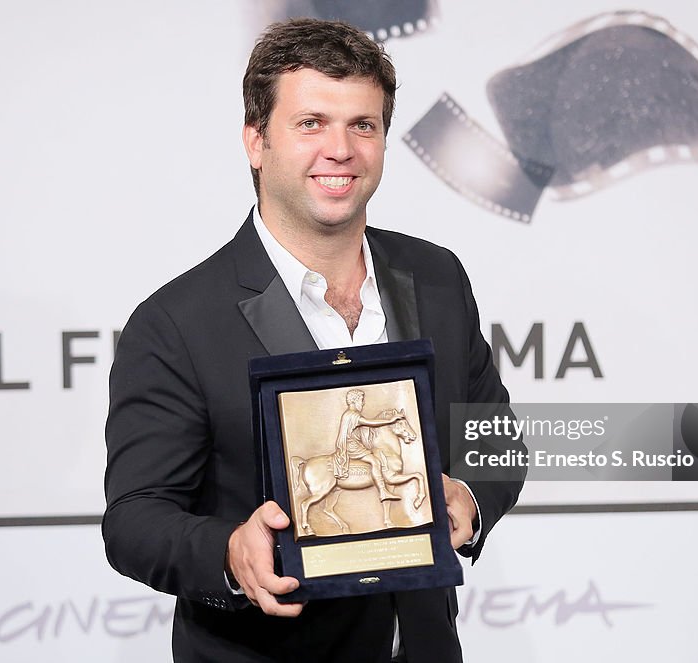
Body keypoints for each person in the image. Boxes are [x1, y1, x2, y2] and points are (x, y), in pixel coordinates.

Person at [103, 17, 525, 662]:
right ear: (255, 141)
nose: (342, 149)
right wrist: (229, 553)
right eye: (311, 124)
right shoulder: (176, 323)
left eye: (363, 125)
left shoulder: (437, 277)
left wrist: (469, 499)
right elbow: (135, 520)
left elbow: (494, 436)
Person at [331, 388, 403, 501]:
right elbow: (371, 423)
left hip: (352, 445)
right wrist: (390, 420)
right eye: (361, 400)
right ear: (355, 401)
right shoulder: (352, 415)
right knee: (375, 461)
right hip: (352, 447)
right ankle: (383, 492)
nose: (363, 403)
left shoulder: (348, 414)